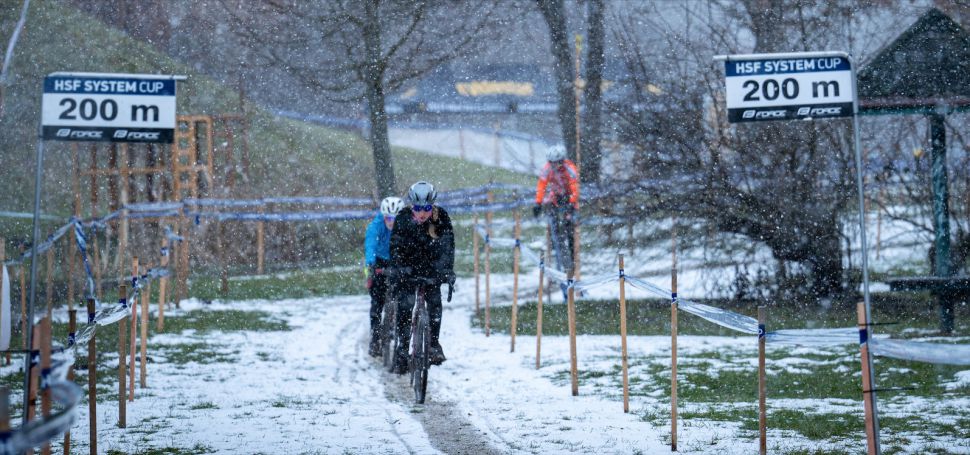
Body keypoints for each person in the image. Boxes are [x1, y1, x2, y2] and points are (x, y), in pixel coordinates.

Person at [388, 181, 456, 374]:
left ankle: (433, 344)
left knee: (435, 302)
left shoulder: (441, 217)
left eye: (426, 208)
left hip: (431, 269)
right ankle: (402, 348)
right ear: (411, 206)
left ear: (432, 205)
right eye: (417, 208)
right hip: (408, 269)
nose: (422, 213)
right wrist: (399, 269)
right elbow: (395, 246)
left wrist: (446, 271)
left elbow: (447, 247)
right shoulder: (402, 218)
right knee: (406, 304)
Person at [364, 196, 405, 357]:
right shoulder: (376, 226)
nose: (391, 222)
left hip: (397, 260)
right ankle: (375, 338)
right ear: (383, 216)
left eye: (395, 218)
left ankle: (395, 322)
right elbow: (370, 244)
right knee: (377, 301)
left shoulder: (405, 226)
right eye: (388, 218)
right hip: (379, 262)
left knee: (402, 295)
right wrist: (371, 263)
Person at [532, 144, 579, 275]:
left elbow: (575, 187)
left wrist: (572, 202)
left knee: (571, 226)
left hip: (569, 197)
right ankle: (554, 242)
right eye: (551, 163)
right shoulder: (547, 169)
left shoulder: (570, 169)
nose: (553, 166)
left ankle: (572, 250)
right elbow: (541, 185)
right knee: (551, 211)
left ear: (562, 161)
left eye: (556, 163)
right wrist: (538, 202)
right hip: (556, 197)